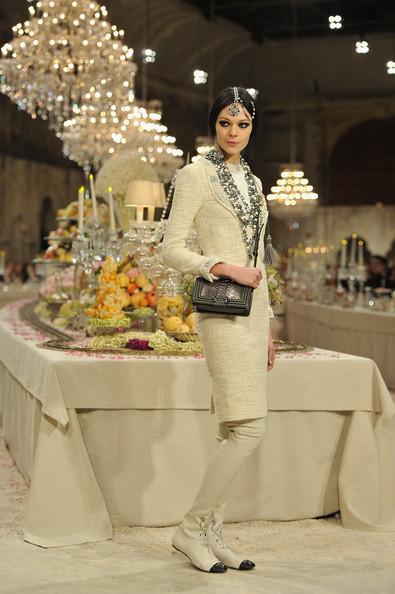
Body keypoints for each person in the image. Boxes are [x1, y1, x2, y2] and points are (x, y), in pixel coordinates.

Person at [162, 86, 275, 574]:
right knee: (251, 427)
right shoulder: (195, 174)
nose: (234, 132)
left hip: (254, 317)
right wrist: (222, 266)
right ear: (214, 124)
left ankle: (212, 534)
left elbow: (261, 263)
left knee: (232, 427)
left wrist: (269, 328)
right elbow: (170, 248)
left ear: (252, 128)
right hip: (221, 311)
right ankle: (189, 531)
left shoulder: (252, 181)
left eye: (243, 124)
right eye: (226, 123)